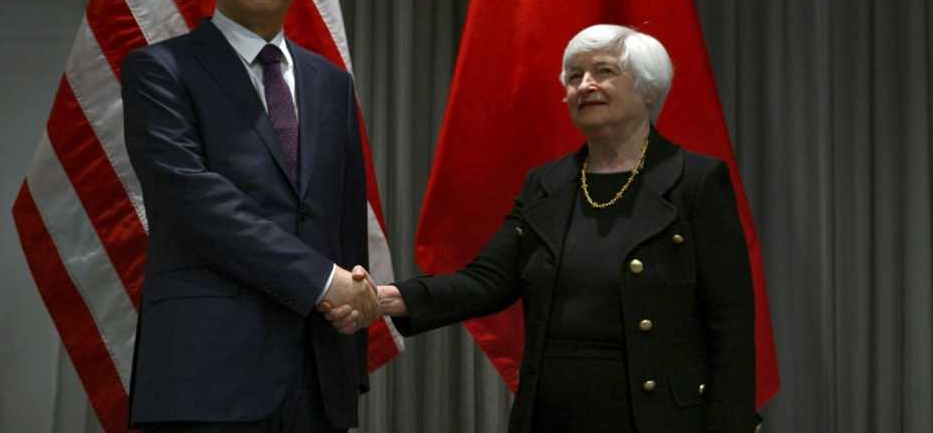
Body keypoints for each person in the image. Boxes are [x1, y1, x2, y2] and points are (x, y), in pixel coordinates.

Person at [324, 24, 760, 433]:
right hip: (553, 414)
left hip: (658, 417)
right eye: (574, 76)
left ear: (648, 89)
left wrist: (731, 424)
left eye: (603, 72)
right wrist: (379, 300)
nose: (584, 85)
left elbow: (731, 321)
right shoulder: (548, 185)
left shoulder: (696, 181)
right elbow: (486, 282)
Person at [123, 0, 377, 433]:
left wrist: (350, 349)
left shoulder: (330, 84)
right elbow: (192, 201)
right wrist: (321, 279)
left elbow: (341, 219)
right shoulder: (159, 72)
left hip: (316, 376)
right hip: (205, 375)